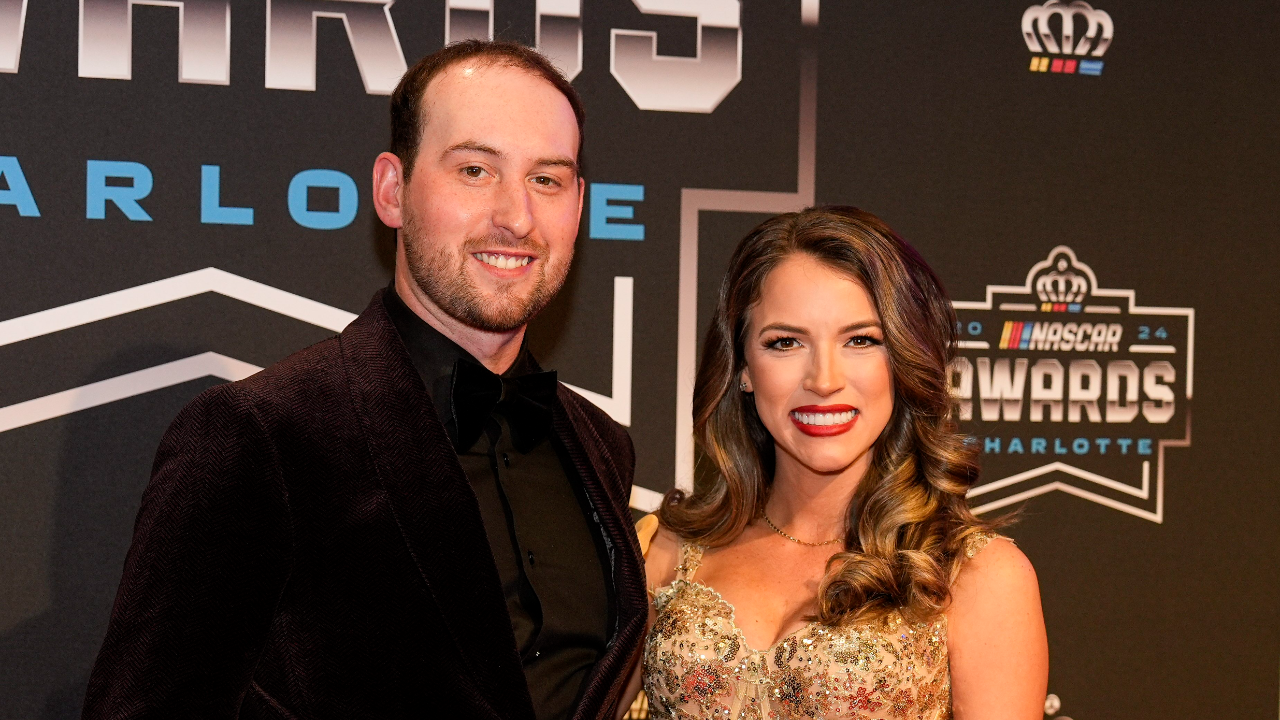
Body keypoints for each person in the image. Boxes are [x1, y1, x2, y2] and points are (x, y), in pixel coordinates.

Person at [82, 41, 647, 720]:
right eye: (475, 169)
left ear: (579, 205)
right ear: (392, 189)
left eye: (547, 180)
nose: (516, 216)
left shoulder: (600, 447)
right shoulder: (260, 435)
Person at [628, 207, 1048, 719]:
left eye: (860, 341)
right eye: (786, 343)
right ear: (742, 369)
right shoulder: (664, 553)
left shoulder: (978, 576)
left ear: (903, 361)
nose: (823, 379)